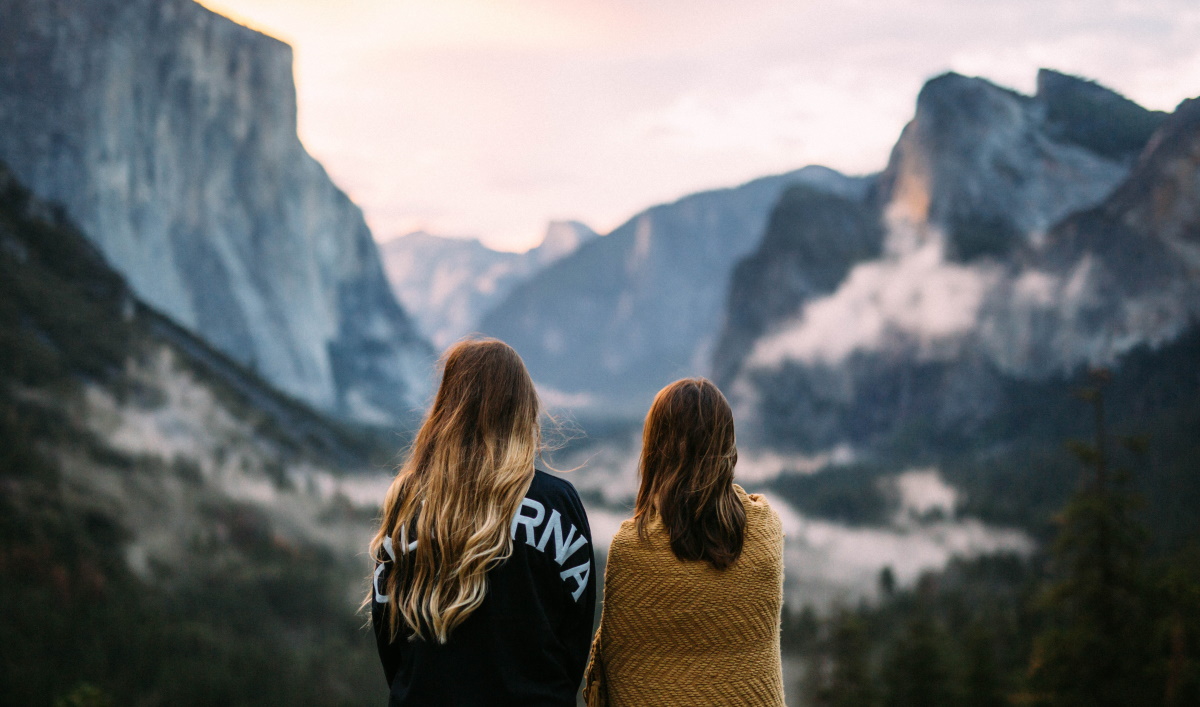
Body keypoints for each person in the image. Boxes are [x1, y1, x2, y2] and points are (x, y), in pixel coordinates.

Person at [368, 338, 596, 707]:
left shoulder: (408, 501)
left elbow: (387, 630)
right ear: (524, 410)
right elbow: (575, 634)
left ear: (447, 409)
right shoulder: (558, 502)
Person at [584, 377, 785, 706]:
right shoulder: (765, 530)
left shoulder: (633, 547)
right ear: (729, 448)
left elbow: (619, 669)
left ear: (654, 449)